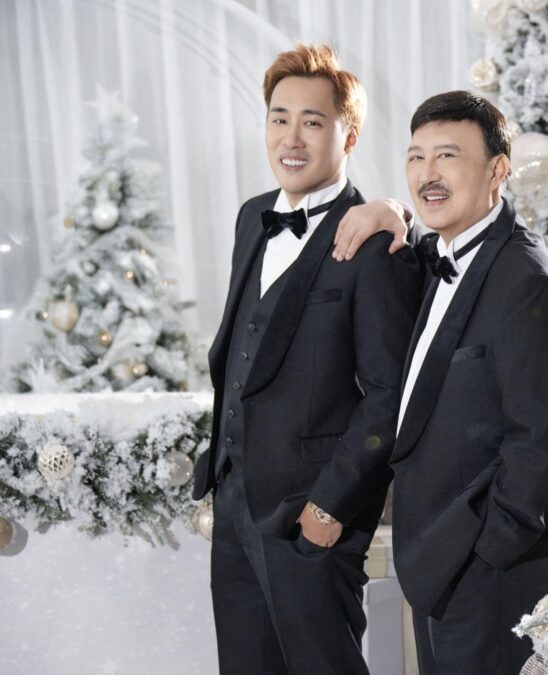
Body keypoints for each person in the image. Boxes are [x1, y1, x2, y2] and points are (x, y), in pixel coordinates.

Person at [190, 43, 421, 674]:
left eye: (313, 122)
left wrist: (329, 508)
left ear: (349, 135)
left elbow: (390, 395)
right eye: (279, 118)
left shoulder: (375, 241)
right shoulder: (251, 218)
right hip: (235, 506)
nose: (291, 138)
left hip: (310, 518)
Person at [342, 90, 548, 674]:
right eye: (416, 157)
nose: (428, 174)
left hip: (487, 575)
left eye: (447, 156)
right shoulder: (439, 254)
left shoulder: (522, 277)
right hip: (435, 567)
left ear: (498, 170)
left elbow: (540, 440)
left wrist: (487, 552)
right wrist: (390, 209)